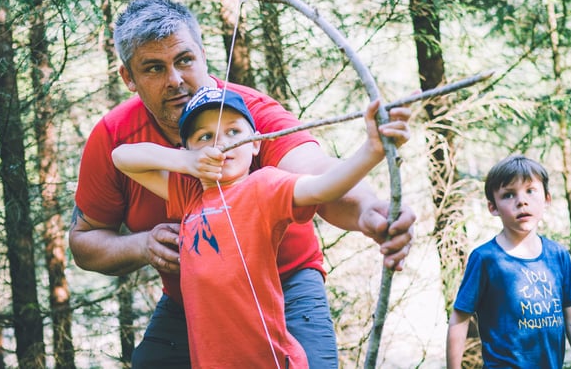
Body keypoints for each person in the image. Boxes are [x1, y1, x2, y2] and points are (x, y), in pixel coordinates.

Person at [70, 0, 416, 368]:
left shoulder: (246, 114)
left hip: (286, 286)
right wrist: (143, 245)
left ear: (203, 55)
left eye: (184, 60)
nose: (175, 80)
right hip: (195, 298)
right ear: (129, 78)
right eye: (153, 68)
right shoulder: (115, 135)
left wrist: (369, 213)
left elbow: (313, 172)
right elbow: (86, 239)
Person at [111, 86, 410, 367]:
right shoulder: (189, 196)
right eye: (204, 136)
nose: (221, 143)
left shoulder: (263, 186)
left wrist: (371, 151)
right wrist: (185, 162)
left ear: (254, 143)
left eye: (233, 132)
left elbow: (322, 188)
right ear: (187, 148)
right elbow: (122, 157)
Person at [446, 155, 571, 369]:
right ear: (493, 208)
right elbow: (459, 321)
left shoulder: (558, 255)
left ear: (547, 199)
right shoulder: (486, 259)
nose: (521, 201)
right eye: (508, 195)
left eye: (530, 191)